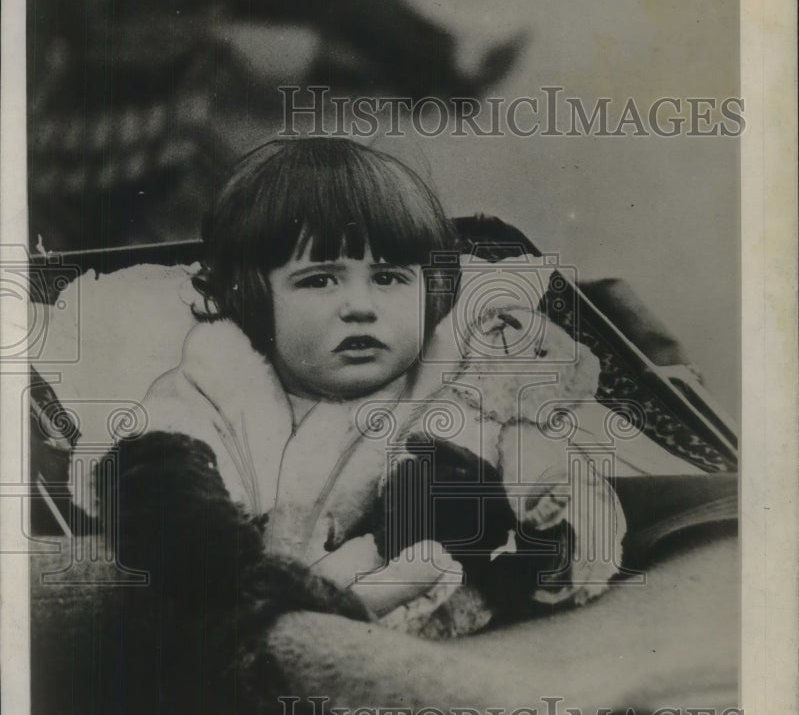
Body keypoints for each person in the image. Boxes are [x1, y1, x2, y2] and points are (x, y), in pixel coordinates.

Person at [102, 137, 623, 642]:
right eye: (320, 280)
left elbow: (553, 467)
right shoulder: (219, 379)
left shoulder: (464, 375)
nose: (360, 307)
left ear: (432, 288)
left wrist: (552, 517)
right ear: (253, 295)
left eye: (389, 278)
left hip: (441, 595)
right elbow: (163, 458)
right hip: (260, 598)